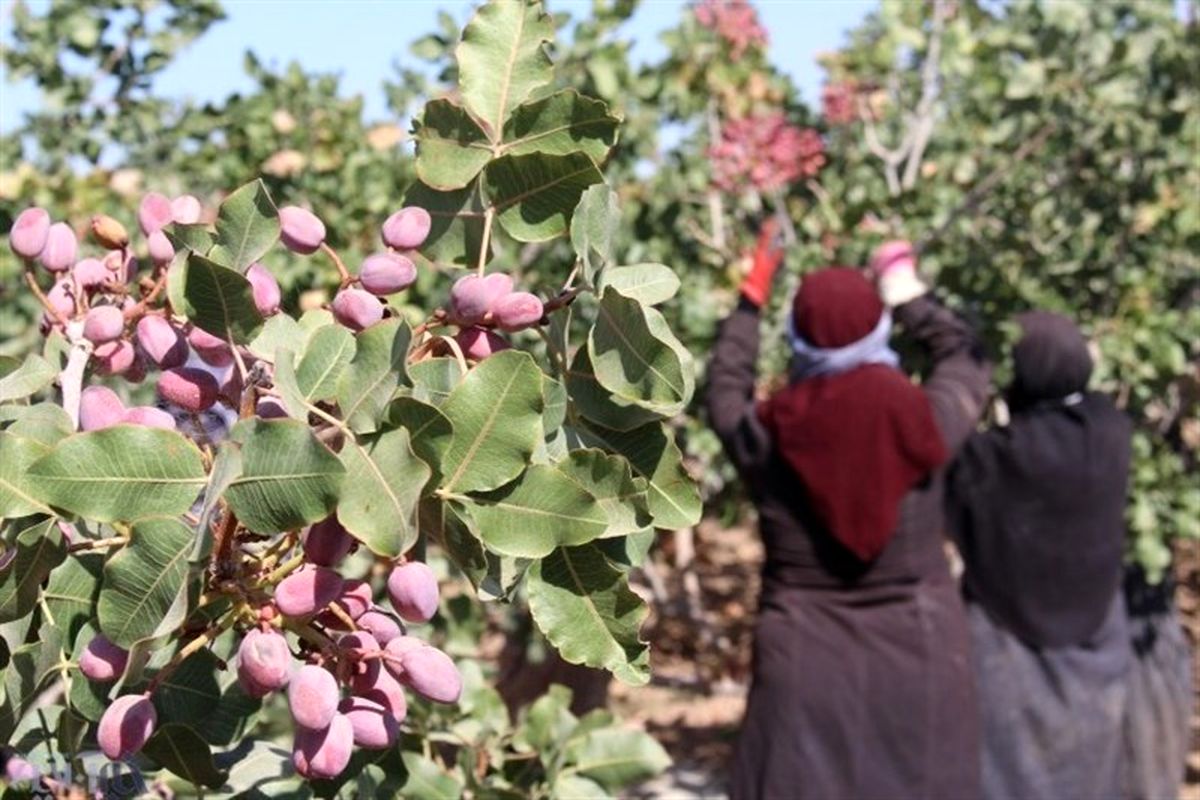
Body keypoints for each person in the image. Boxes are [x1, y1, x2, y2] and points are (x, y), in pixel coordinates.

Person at [708, 228, 990, 800]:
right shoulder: (928, 419)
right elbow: (965, 354)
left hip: (803, 653)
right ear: (879, 329)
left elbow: (722, 388)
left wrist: (750, 299)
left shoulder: (765, 433)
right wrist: (904, 286)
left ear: (797, 340)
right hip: (921, 645)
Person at [945, 311, 1134, 800]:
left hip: (1006, 641)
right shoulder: (1110, 433)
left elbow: (946, 457)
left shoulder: (995, 457)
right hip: (1097, 635)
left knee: (1006, 771)